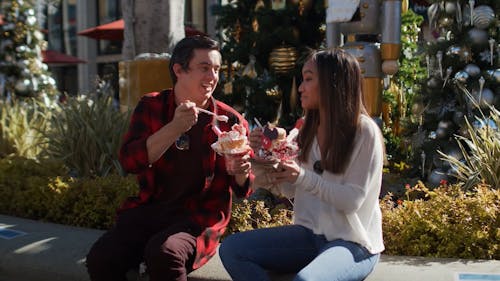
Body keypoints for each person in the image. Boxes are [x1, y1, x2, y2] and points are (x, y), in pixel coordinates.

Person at [86, 35, 253, 281]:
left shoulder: (230, 121)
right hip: (151, 209)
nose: (212, 77)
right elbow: (130, 162)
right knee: (101, 258)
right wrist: (175, 127)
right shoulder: (151, 106)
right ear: (179, 70)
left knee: (165, 254)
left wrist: (240, 169)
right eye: (204, 68)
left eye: (216, 69)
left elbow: (243, 188)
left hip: (198, 217)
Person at [219, 48, 384, 281]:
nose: (300, 88)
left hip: (353, 243)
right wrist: (260, 160)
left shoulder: (364, 131)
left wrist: (302, 177)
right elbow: (289, 189)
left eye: (308, 79)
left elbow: (352, 200)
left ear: (331, 83)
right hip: (309, 236)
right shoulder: (306, 128)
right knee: (232, 249)